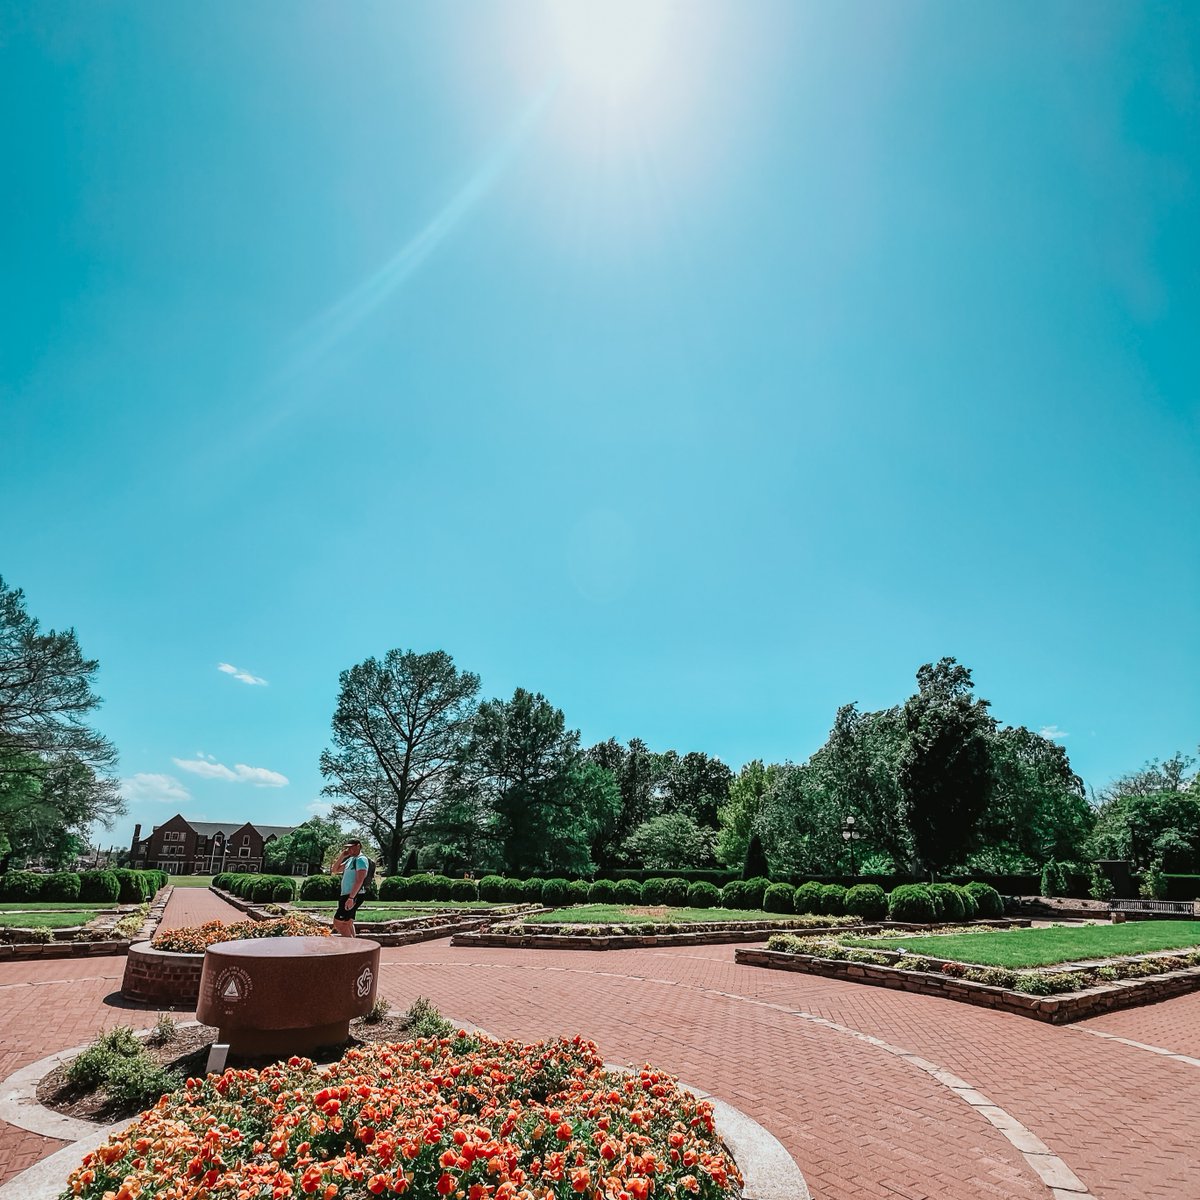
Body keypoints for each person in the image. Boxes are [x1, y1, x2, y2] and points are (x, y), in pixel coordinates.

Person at [331, 839, 369, 937]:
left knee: (338, 923)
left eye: (352, 847)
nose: (349, 849)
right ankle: (355, 946)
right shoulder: (351, 859)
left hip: (353, 895)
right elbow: (335, 870)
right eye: (348, 847)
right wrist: (342, 856)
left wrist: (351, 898)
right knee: (348, 922)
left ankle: (350, 946)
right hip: (347, 894)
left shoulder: (361, 859)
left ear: (358, 846)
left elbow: (359, 880)